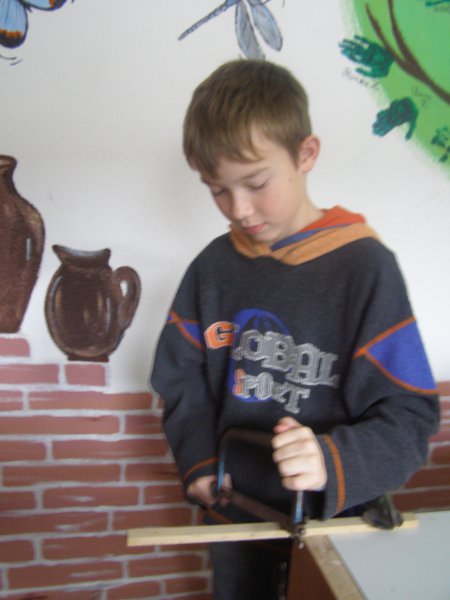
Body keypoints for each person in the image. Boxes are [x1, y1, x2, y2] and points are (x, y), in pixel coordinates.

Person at [150, 59, 439, 599]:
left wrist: (331, 461)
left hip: (340, 524)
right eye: (216, 189)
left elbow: (409, 416)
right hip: (238, 515)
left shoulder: (365, 269)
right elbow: (181, 378)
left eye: (256, 183)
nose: (238, 209)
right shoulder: (212, 268)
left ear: (306, 154)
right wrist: (199, 460)